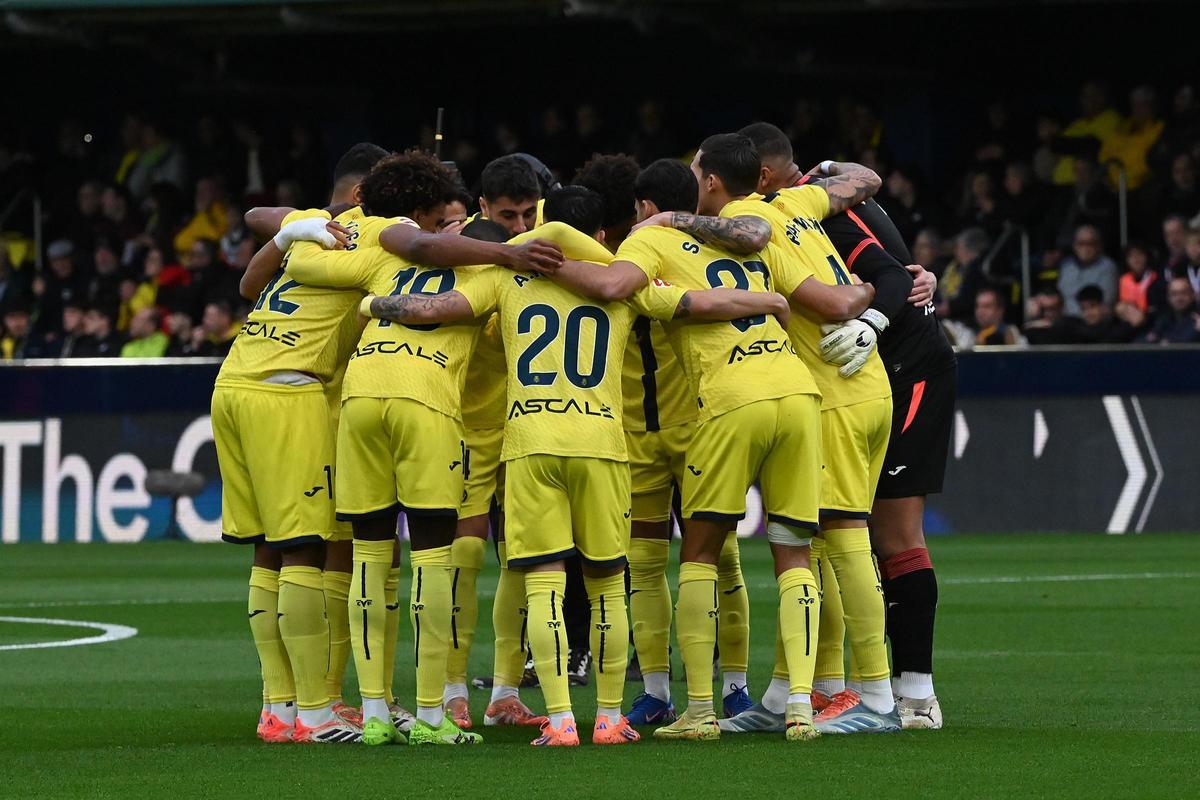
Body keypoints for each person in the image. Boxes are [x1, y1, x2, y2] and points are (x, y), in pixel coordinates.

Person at [360, 219, 791, 747]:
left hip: (531, 441)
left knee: (543, 583)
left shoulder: (504, 277)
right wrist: (767, 302)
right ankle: (608, 719)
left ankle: (562, 721)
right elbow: (697, 305)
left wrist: (373, 306)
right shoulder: (622, 280)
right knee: (608, 583)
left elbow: (431, 310)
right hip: (602, 443)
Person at [549, 145, 879, 742]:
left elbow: (625, 287)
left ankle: (698, 709)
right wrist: (840, 298)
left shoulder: (646, 244)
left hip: (721, 405)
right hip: (797, 393)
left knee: (695, 556)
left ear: (646, 207)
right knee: (794, 553)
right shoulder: (746, 235)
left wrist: (538, 260)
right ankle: (800, 706)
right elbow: (787, 258)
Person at [269, 150, 562, 747]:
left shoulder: (384, 258)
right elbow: (448, 309)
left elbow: (300, 265)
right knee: (434, 560)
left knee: (371, 561)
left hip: (359, 399)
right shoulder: (494, 274)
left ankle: (374, 712)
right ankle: (433, 713)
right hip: (425, 405)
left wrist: (312, 242)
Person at [676, 132, 906, 735]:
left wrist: (859, 297)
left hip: (832, 391)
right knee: (814, 545)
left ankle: (879, 696)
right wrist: (821, 169)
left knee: (845, 534)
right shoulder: (797, 204)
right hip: (861, 384)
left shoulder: (755, 218)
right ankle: (787, 692)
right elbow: (865, 178)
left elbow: (829, 303)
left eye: (699, 173)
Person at [737, 121, 956, 729]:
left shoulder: (819, 211)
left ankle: (913, 696)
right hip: (859, 377)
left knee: (890, 534)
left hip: (905, 369)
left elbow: (894, 276)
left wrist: (874, 325)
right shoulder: (812, 200)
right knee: (828, 533)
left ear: (760, 176)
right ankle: (822, 689)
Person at [1058, 224, 1118, 316]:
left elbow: (1106, 302)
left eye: (1090, 244)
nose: (1086, 249)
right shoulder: (1066, 265)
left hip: (1092, 321)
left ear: (1099, 246)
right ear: (1074, 246)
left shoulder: (1107, 266)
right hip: (1064, 319)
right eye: (1081, 244)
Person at [936, 228, 990, 323]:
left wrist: (947, 307)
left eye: (958, 248)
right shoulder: (956, 266)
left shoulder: (977, 271)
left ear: (970, 250)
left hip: (964, 321)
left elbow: (968, 302)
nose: (955, 252)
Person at [1069, 285, 1135, 344]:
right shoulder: (1077, 332)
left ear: (1103, 306)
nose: (1088, 313)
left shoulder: (1118, 328)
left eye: (1092, 306)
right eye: (1083, 309)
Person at [1145, 277, 1200, 344]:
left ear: (1193, 295)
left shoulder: (1197, 319)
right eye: (1174, 294)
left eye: (1183, 293)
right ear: (1168, 298)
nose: (1179, 298)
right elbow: (1148, 339)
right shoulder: (1164, 319)